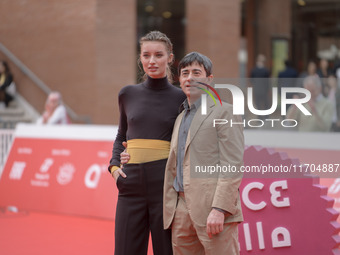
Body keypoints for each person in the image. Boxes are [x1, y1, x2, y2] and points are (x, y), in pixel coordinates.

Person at [108, 31, 186, 255]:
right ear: (140, 58)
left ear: (170, 58)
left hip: (165, 187)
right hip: (130, 186)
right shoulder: (127, 94)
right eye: (146, 55)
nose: (152, 61)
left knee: (167, 251)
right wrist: (114, 168)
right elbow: (121, 136)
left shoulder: (181, 98)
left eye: (158, 55)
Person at [163, 52, 244, 254]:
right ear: (179, 80)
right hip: (181, 210)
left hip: (214, 210)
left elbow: (232, 164)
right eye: (185, 73)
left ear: (209, 80)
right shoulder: (180, 117)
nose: (190, 78)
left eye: (196, 72)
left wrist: (220, 209)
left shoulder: (225, 111)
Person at [250, 54, 271, 118]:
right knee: (265, 103)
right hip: (264, 89)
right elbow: (267, 81)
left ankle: (259, 116)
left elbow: (251, 80)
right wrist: (268, 89)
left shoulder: (254, 70)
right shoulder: (266, 70)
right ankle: (266, 116)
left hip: (256, 88)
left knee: (258, 103)